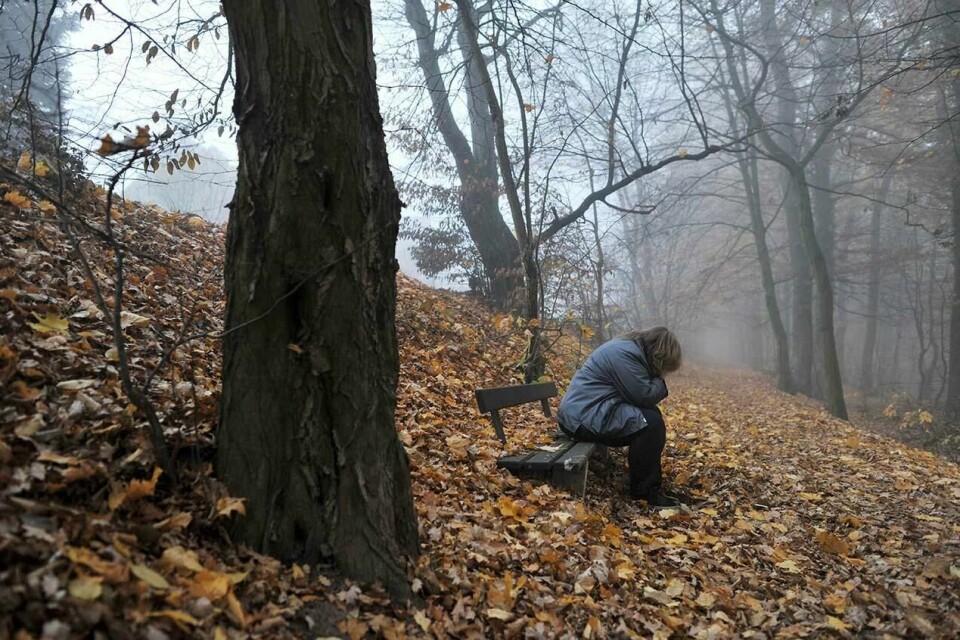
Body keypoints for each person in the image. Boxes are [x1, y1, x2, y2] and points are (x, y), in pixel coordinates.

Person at [557, 327, 682, 508]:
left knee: (651, 417)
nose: (664, 372)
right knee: (651, 424)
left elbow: (638, 396)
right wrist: (659, 380)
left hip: (585, 411)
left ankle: (647, 484)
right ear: (660, 355)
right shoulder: (626, 355)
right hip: (582, 417)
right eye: (665, 368)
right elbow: (643, 396)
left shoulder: (628, 349)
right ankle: (645, 493)